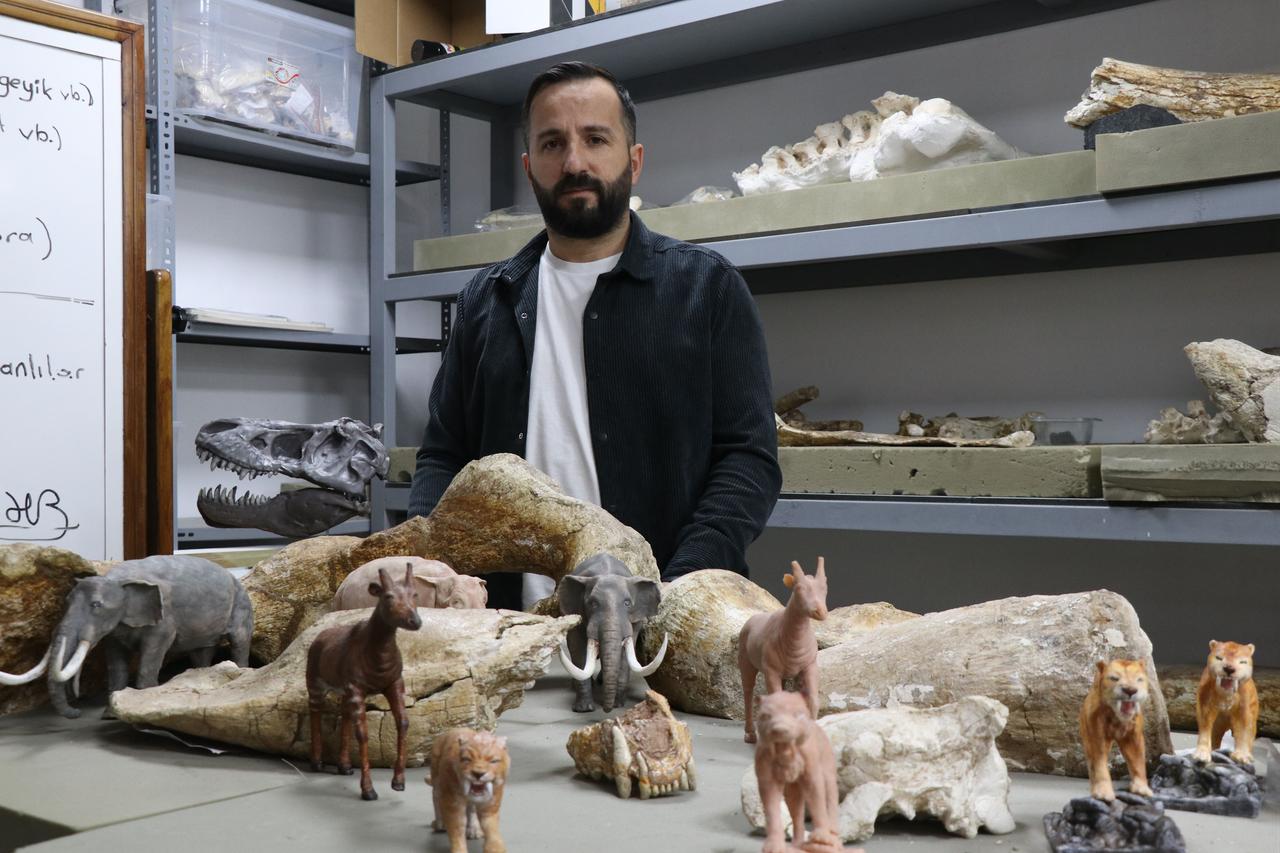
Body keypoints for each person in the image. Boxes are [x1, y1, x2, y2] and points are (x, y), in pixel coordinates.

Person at [408, 61, 781, 611]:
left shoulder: (708, 288)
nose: (575, 162)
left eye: (595, 139)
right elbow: (444, 455)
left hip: (663, 620)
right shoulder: (486, 301)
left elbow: (748, 461)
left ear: (634, 160)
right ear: (530, 165)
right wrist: (434, 569)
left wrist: (674, 591)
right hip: (503, 624)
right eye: (553, 143)